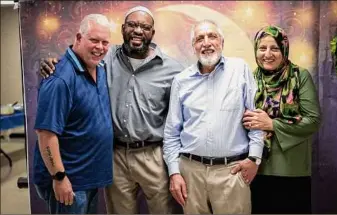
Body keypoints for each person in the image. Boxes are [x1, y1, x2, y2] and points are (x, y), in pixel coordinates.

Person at [39, 6, 184, 214]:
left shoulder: (173, 69)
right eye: (132, 25)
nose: (138, 31)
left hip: (153, 155)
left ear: (152, 33)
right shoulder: (104, 58)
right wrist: (51, 61)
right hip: (114, 156)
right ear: (123, 28)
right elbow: (77, 56)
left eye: (145, 27)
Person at [163, 19, 264, 214]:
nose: (206, 42)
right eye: (200, 38)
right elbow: (172, 132)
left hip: (232, 172)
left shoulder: (240, 70)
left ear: (222, 42)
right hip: (190, 173)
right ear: (193, 46)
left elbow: (256, 119)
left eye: (212, 36)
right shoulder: (181, 81)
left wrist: (255, 158)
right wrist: (174, 172)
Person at [33, 14, 113, 214]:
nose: (100, 47)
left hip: (88, 177)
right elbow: (45, 135)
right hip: (69, 181)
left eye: (105, 42)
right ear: (78, 38)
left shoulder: (100, 69)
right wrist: (59, 177)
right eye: (94, 40)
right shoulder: (59, 79)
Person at [242, 25, 321, 214]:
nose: (267, 54)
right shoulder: (250, 79)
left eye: (274, 48)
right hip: (257, 169)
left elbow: (313, 120)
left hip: (292, 170)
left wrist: (271, 124)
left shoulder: (299, 76)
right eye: (262, 48)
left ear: (284, 50)